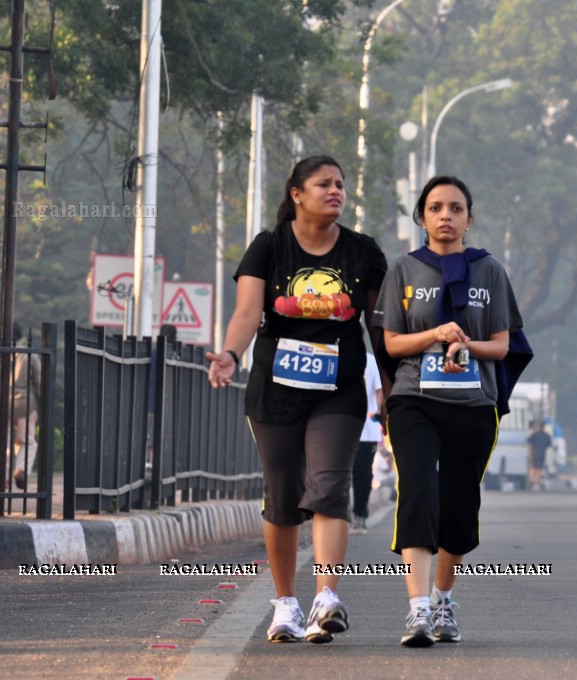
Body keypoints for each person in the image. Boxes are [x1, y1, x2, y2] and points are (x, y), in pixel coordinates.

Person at [205, 155, 387, 644]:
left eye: (341, 185)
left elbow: (379, 326)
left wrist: (391, 383)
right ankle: (285, 603)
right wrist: (228, 353)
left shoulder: (363, 252)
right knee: (282, 495)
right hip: (275, 387)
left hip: (339, 388)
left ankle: (326, 597)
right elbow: (247, 312)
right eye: (324, 184)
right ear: (297, 193)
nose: (336, 191)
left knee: (329, 484)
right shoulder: (269, 246)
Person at [371, 175, 530, 647]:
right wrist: (436, 335)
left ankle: (442, 600)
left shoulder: (490, 271)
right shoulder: (403, 269)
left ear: (468, 219)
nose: (446, 216)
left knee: (460, 504)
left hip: (473, 404)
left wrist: (465, 342)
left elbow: (502, 346)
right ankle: (417, 609)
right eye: (436, 207)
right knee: (418, 490)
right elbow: (392, 342)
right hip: (414, 399)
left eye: (456, 208)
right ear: (421, 216)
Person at [351, 351, 384, 535]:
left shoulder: (371, 361)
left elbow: (379, 390)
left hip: (367, 428)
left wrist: (379, 412)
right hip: (340, 426)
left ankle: (360, 515)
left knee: (363, 474)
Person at [8, 322, 42, 491]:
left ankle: (4, 475)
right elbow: (39, 383)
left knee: (4, 441)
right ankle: (21, 469)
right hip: (23, 403)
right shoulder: (29, 355)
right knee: (28, 441)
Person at [526, 419, 552, 491]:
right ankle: (536, 482)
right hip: (542, 454)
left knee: (533, 466)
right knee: (539, 468)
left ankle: (532, 479)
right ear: (544, 427)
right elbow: (549, 445)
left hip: (533, 453)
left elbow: (528, 441)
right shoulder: (547, 435)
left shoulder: (534, 434)